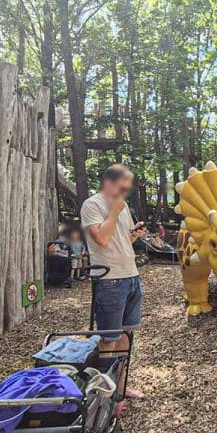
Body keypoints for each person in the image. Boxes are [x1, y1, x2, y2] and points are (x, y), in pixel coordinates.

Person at [80, 165, 147, 398]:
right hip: (110, 280)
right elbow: (101, 239)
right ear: (109, 182)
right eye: (123, 186)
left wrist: (134, 235)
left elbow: (121, 239)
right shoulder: (92, 205)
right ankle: (103, 392)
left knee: (126, 335)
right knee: (109, 338)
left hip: (131, 276)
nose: (126, 191)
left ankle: (120, 386)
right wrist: (115, 213)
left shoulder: (122, 205)